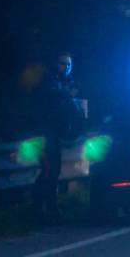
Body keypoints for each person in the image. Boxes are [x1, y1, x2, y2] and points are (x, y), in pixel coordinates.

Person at [31, 52, 81, 223]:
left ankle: (50, 210)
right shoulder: (50, 81)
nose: (65, 67)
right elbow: (53, 95)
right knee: (48, 171)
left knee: (54, 172)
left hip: (54, 135)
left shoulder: (65, 83)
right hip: (43, 135)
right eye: (62, 64)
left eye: (68, 64)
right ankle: (38, 211)